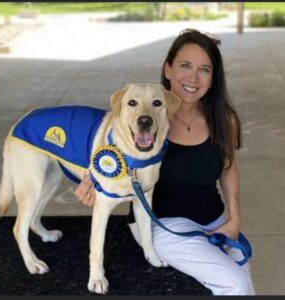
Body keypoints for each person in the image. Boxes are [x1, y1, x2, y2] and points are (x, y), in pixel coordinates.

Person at [74, 28, 255, 295]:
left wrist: (234, 219)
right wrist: (92, 180)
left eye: (204, 69)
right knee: (235, 284)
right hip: (162, 223)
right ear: (168, 69)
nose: (193, 77)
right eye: (185, 66)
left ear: (212, 78)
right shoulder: (142, 117)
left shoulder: (223, 119)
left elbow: (228, 168)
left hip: (213, 218)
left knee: (244, 282)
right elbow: (104, 151)